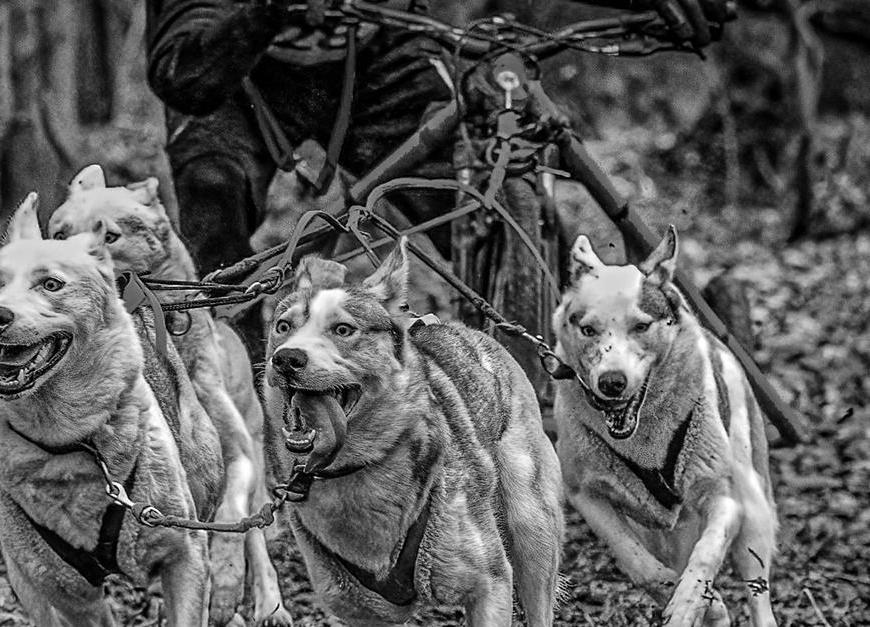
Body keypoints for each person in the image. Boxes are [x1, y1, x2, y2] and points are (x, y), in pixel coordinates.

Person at [146, 0, 730, 360]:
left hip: (377, 50)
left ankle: (584, 332)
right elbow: (181, 77)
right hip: (229, 63)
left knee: (467, 185)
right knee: (212, 191)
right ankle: (247, 379)